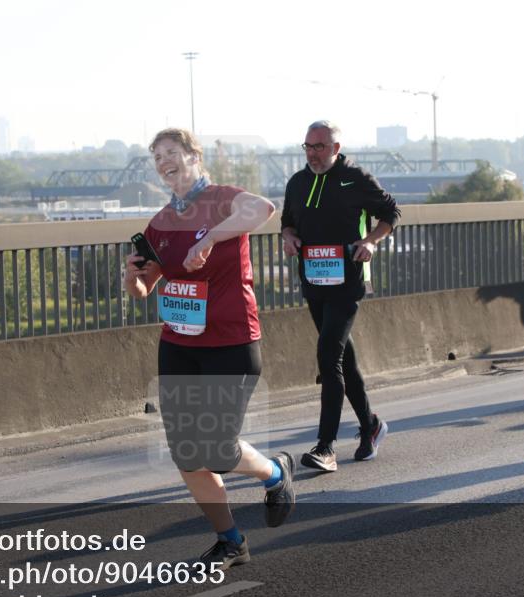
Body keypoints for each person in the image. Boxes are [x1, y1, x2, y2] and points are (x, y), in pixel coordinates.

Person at [123, 128, 295, 570]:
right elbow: (147, 286)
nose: (165, 161)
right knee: (186, 452)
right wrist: (133, 277)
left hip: (231, 341)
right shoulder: (160, 221)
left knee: (217, 449)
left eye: (172, 152)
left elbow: (264, 208)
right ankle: (231, 540)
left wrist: (209, 238)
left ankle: (276, 473)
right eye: (157, 156)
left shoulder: (223, 198)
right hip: (178, 344)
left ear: (194, 156)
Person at [281, 120, 401, 472]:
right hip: (313, 282)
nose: (312, 153)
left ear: (335, 147)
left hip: (347, 282)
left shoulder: (356, 178)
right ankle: (371, 425)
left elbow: (391, 213)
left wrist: (369, 242)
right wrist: (287, 237)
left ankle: (326, 447)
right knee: (342, 360)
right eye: (307, 146)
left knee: (327, 356)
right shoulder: (298, 182)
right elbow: (287, 222)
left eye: (319, 147)